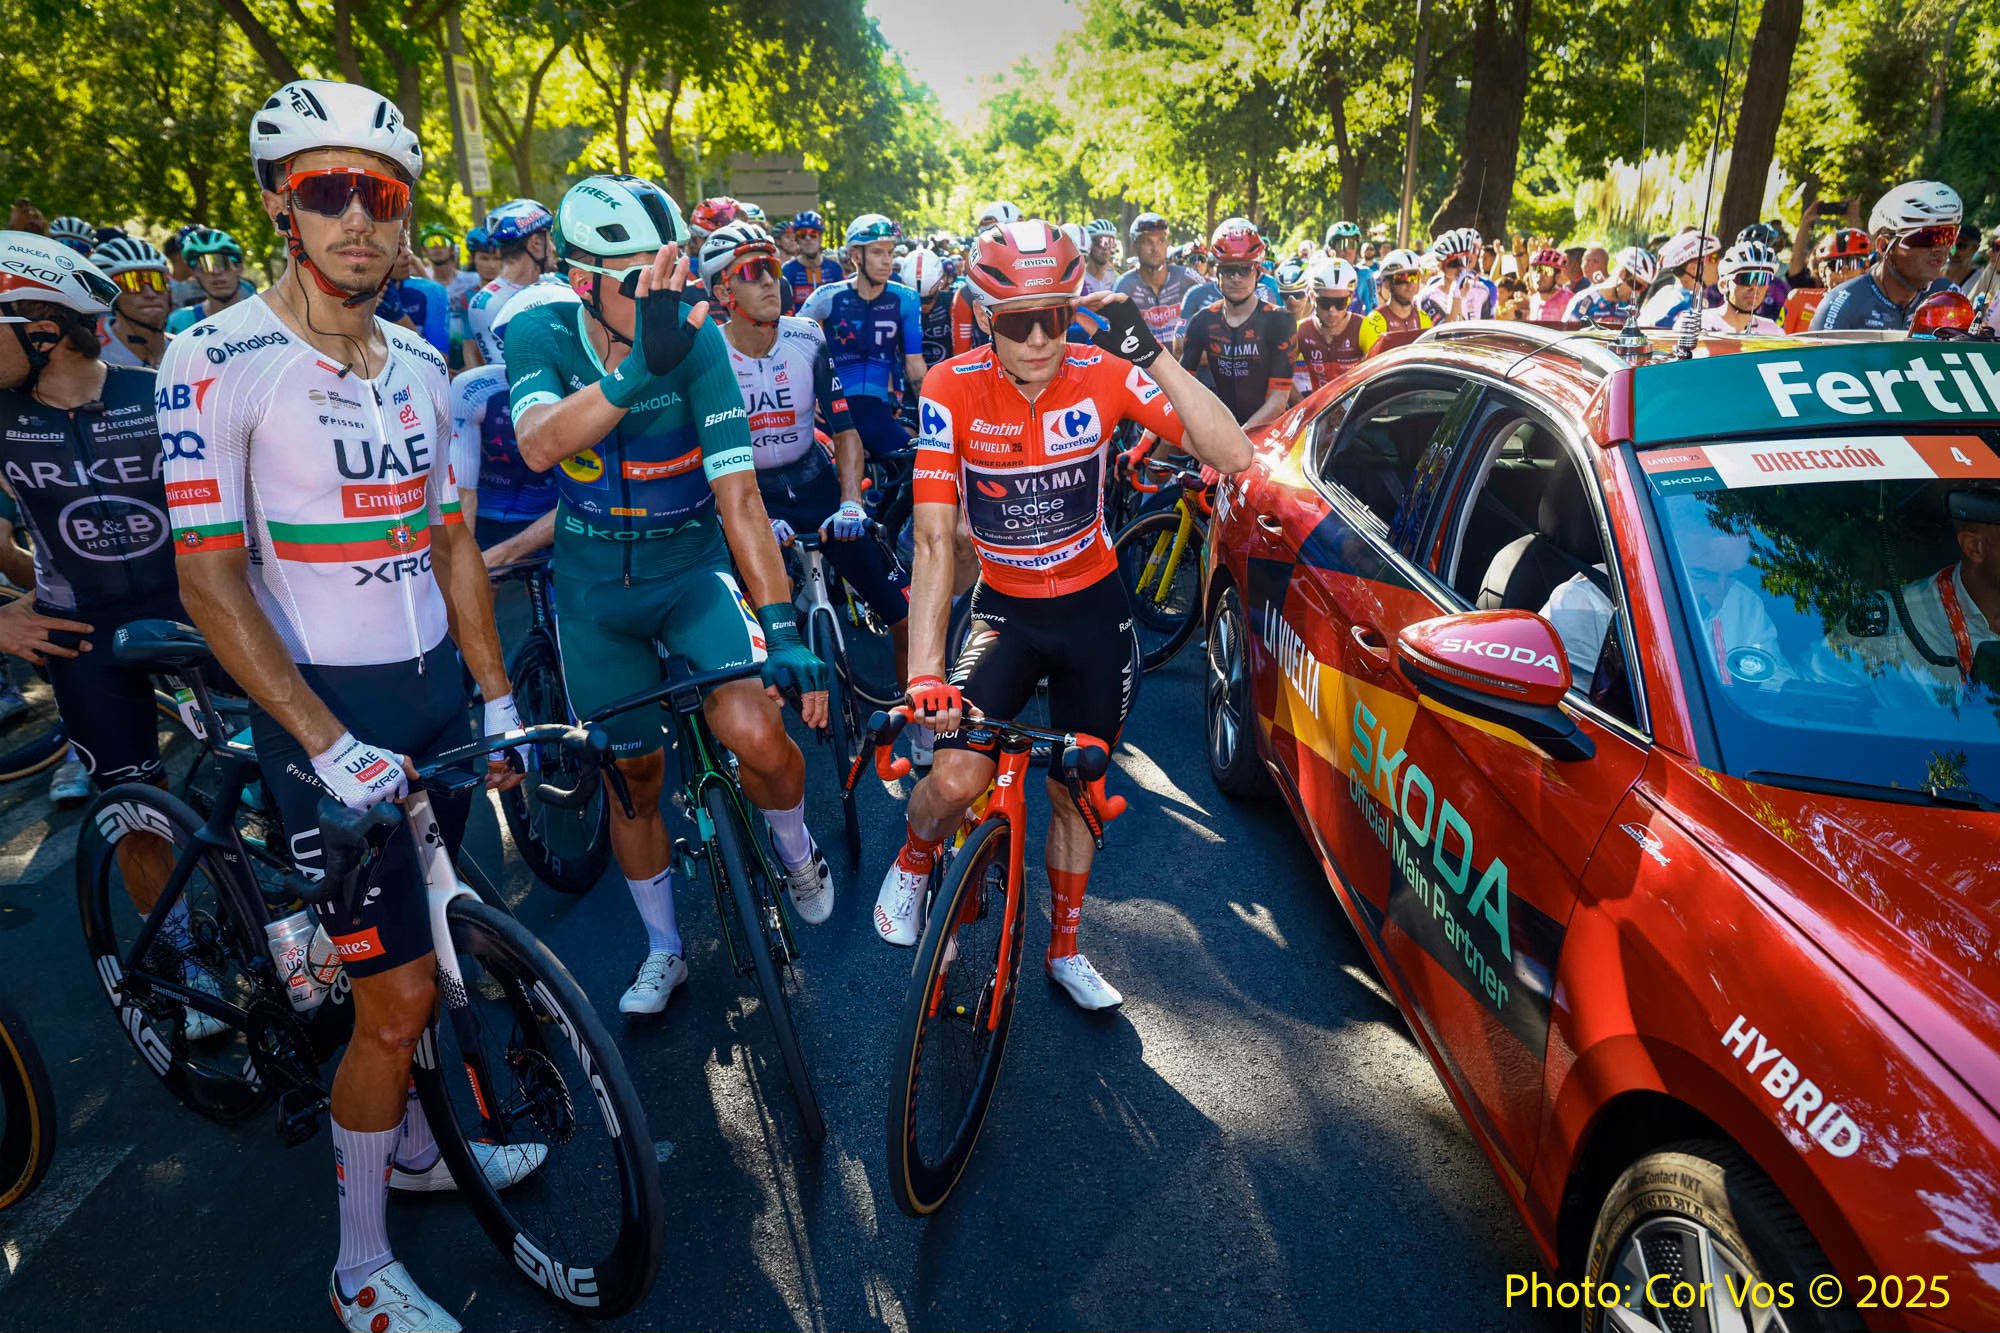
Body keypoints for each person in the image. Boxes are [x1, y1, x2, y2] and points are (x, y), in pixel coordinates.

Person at [157, 79, 541, 1333]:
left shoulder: (426, 360)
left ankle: (422, 1149)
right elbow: (210, 581)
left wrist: (496, 699)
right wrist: (326, 744)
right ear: (281, 206)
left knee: (434, 957)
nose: (357, 218)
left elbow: (453, 545)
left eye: (379, 193)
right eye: (327, 192)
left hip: (434, 697)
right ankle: (357, 1265)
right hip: (324, 720)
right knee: (394, 1002)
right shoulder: (215, 358)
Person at [877, 220, 1253, 1008]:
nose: (1042, 338)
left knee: (1077, 789)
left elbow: (1233, 453)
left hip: (1094, 616)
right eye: (1020, 322)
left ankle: (1066, 947)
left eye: (1055, 316)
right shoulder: (949, 385)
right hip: (1006, 615)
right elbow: (936, 537)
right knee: (955, 774)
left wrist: (1154, 355)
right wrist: (923, 673)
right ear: (986, 317)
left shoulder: (1103, 372)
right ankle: (915, 855)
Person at [507, 173, 834, 1017]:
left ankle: (796, 845)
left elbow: (740, 497)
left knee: (757, 732)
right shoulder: (539, 331)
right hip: (594, 594)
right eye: (640, 277)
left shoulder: (698, 341)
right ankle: (664, 947)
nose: (666, 290)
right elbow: (538, 445)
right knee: (636, 777)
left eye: (673, 269)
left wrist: (781, 625)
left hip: (690, 570)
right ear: (582, 280)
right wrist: (631, 376)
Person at [0, 230, 188, 816]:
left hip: (202, 614)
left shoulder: (163, 393)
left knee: (287, 777)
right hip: (81, 639)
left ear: (43, 334)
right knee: (137, 814)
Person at [701, 222, 911, 683]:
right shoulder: (707, 351)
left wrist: (852, 502)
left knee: (906, 618)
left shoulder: (808, 336)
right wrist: (744, 516)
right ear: (723, 291)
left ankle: (913, 723)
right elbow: (701, 454)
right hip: (752, 499)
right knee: (749, 655)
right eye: (752, 272)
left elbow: (845, 430)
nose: (769, 281)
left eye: (772, 269)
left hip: (817, 488)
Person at [448, 282, 572, 555]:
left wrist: (502, 555)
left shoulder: (586, 392)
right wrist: (466, 563)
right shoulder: (473, 390)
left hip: (551, 527)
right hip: (482, 520)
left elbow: (583, 501)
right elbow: (462, 494)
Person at [796, 213, 926, 459]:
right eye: (877, 252)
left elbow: (914, 362)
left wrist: (932, 411)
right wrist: (807, 396)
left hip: (879, 417)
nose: (887, 261)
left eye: (890, 252)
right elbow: (792, 346)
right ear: (856, 256)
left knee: (915, 467)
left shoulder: (906, 299)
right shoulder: (827, 297)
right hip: (834, 417)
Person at [1179, 222, 1295, 430]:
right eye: (1229, 270)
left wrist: (1239, 437)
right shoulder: (1202, 321)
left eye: (1245, 269)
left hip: (1268, 428)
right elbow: (1178, 388)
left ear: (1257, 273)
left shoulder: (1279, 320)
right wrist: (1145, 443)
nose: (1236, 278)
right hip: (1223, 427)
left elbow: (1278, 400)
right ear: (1217, 274)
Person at [1812, 181, 1963, 332]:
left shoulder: (1951, 298)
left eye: (1948, 236)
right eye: (1925, 238)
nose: (1940, 248)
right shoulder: (1842, 305)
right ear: (1883, 246)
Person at [463, 197, 554, 367]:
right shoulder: (486, 303)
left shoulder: (558, 282)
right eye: (550, 239)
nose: (554, 249)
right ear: (536, 242)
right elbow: (509, 371)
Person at [1113, 213, 1200, 347]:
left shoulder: (1188, 277)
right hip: (1144, 358)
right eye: (1148, 242)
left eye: (1160, 241)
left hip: (1183, 358)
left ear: (1167, 244)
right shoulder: (1124, 286)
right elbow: (1115, 337)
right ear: (1135, 246)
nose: (1155, 249)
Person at [91, 236, 174, 368]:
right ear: (110, 294)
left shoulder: (186, 349)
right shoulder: (89, 353)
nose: (150, 294)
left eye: (157, 281)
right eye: (132, 283)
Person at [1291, 257, 1363, 395]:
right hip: (1319, 406)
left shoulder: (1365, 327)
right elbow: (1280, 376)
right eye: (1325, 303)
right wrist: (1303, 404)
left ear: (1351, 296)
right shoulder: (1301, 330)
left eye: (1340, 303)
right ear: (1312, 297)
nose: (1332, 311)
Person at [1781, 229, 1871, 332]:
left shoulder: (1876, 309)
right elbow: (1779, 340)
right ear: (1822, 271)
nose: (1843, 272)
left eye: (1852, 263)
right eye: (1835, 265)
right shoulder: (1798, 299)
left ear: (1866, 268)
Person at [164, 229, 253, 332]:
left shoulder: (263, 313)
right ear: (194, 272)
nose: (216, 272)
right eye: (205, 264)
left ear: (239, 268)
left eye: (223, 263)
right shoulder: (179, 322)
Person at [378, 239, 450, 359]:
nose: (408, 253)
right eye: (397, 247)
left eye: (407, 245)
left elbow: (441, 360)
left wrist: (398, 315)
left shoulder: (428, 291)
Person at [1637, 231, 1720, 328]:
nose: (1719, 262)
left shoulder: (1670, 295)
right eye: (1714, 258)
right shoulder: (1675, 303)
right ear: (1694, 268)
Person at [1358, 248, 1433, 356]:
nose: (1411, 284)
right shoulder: (1373, 322)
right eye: (1403, 278)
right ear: (1387, 284)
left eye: (1415, 277)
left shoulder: (1424, 319)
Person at [1702, 242, 1783, 336]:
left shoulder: (1774, 332)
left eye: (1763, 279)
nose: (1755, 287)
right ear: (1723, 285)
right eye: (1746, 278)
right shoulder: (1700, 323)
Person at [1418, 228, 1497, 323]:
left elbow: (1486, 328)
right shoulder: (1429, 297)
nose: (1461, 268)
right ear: (1441, 266)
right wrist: (1455, 294)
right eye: (1453, 263)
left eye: (1466, 261)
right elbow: (1447, 330)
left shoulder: (1482, 291)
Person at [1565, 246, 1658, 325]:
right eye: (1637, 285)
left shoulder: (1633, 308)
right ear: (1622, 274)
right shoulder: (1584, 300)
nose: (1638, 292)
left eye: (1645, 289)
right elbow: (1565, 336)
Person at [897, 244, 957, 367]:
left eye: (928, 300)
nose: (923, 306)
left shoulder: (953, 301)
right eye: (915, 301)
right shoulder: (894, 304)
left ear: (941, 281)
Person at [781, 209, 843, 306]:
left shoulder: (835, 269)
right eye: (802, 234)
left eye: (813, 233)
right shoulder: (788, 270)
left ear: (820, 237)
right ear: (797, 239)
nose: (808, 238)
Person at [1323, 222, 1375, 314]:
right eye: (1341, 244)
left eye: (1352, 244)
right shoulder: (1320, 274)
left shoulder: (1364, 275)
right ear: (1330, 250)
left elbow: (1372, 311)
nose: (1347, 250)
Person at [1526, 247, 1571, 320]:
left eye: (1547, 271)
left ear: (1557, 277)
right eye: (1536, 269)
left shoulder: (1568, 300)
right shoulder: (1534, 300)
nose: (1539, 276)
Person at [1082, 218, 1120, 295]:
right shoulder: (1079, 279)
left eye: (1110, 242)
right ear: (1089, 244)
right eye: (1100, 242)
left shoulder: (1116, 279)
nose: (1105, 248)